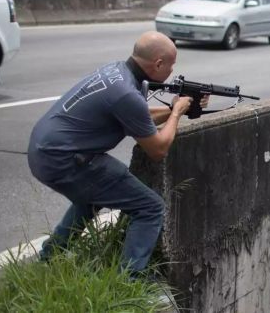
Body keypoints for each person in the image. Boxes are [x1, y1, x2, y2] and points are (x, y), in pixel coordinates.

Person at [28, 31, 198, 276]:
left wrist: (174, 106)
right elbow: (158, 149)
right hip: (63, 160)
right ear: (158, 63)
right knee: (150, 208)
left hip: (43, 149)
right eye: (171, 65)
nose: (172, 71)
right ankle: (129, 278)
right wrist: (176, 113)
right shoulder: (127, 94)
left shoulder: (117, 71)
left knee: (91, 197)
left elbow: (139, 116)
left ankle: (49, 257)